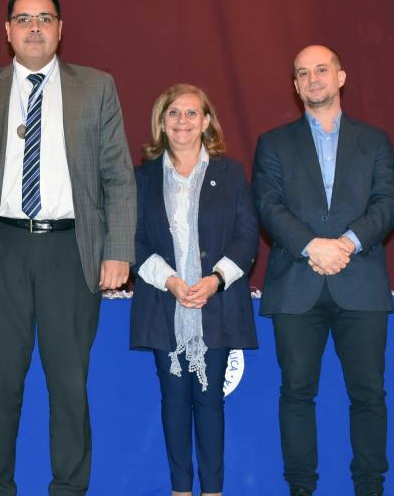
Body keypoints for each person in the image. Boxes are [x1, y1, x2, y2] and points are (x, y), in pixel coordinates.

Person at [0, 0, 136, 496]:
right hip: (0, 250)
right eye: (23, 19)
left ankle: (69, 489)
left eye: (44, 18)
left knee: (69, 385)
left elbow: (118, 176)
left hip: (70, 252)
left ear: (60, 29)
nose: (34, 28)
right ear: (6, 31)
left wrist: (118, 249)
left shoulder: (95, 87)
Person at [252, 44, 394, 496]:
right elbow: (268, 205)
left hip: (362, 283)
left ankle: (369, 488)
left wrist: (348, 244)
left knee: (369, 395)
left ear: (341, 77)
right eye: (302, 73)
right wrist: (312, 245)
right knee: (296, 395)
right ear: (295, 86)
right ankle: (301, 489)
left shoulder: (374, 140)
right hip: (297, 284)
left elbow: (389, 203)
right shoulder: (273, 143)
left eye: (321, 69)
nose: (313, 78)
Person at [130, 84, 259, 496]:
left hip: (216, 304)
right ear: (161, 123)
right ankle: (180, 490)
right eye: (173, 114)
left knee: (209, 403)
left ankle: (214, 491)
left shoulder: (231, 173)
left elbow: (247, 236)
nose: (182, 121)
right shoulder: (143, 177)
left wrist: (214, 280)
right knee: (173, 401)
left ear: (206, 122)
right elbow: (134, 240)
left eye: (191, 113)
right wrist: (169, 280)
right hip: (163, 302)